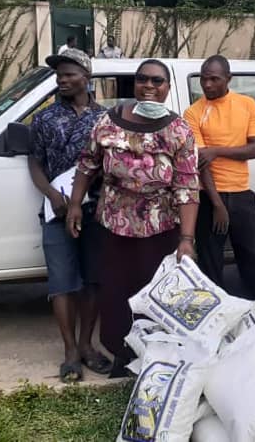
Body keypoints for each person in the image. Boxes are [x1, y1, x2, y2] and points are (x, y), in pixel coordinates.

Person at [66, 59, 199, 377]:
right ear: (134, 84)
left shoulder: (179, 130)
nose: (149, 87)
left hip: (160, 230)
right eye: (143, 80)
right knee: (115, 293)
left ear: (168, 88)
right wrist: (74, 204)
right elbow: (87, 164)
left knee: (156, 296)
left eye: (157, 81)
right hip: (113, 226)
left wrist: (187, 240)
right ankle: (122, 357)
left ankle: (156, 361)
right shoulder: (107, 123)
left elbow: (187, 186)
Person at [27, 48, 111, 382]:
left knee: (92, 280)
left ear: (86, 77)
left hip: (95, 210)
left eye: (69, 74)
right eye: (59, 75)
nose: (62, 80)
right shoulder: (45, 118)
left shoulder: (104, 119)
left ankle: (88, 346)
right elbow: (34, 162)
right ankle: (70, 352)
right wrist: (51, 195)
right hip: (56, 210)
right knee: (62, 283)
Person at [184, 55, 255, 298]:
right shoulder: (193, 112)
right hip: (210, 198)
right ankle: (216, 317)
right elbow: (201, 163)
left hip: (242, 196)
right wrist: (218, 205)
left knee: (254, 260)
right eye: (203, 79)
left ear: (228, 79)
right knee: (210, 268)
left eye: (214, 79)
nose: (207, 84)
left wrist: (216, 151)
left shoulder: (247, 104)